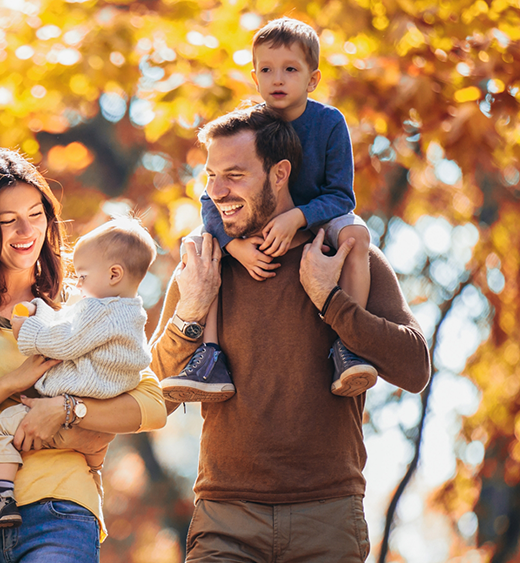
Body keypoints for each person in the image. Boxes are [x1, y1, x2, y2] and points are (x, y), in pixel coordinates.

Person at [152, 104, 430, 561]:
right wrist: (191, 312)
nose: (217, 192)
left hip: (328, 518)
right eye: (210, 177)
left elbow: (415, 368)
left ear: (280, 173)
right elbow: (150, 395)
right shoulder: (203, 265)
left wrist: (330, 300)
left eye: (235, 175)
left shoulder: (343, 256)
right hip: (225, 519)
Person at [0, 149, 167, 561]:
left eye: (36, 214)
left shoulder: (81, 303)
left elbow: (151, 405)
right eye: (7, 221)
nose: (26, 230)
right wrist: (11, 382)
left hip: (59, 509)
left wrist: (66, 409)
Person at [166, 17, 377, 403]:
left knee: (356, 235)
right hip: (251, 226)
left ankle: (348, 345)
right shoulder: (251, 125)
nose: (277, 79)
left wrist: (297, 217)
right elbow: (211, 197)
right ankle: (209, 357)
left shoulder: (329, 123)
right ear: (255, 76)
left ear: (312, 80)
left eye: (290, 70)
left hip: (317, 221)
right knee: (201, 246)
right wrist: (232, 245)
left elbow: (341, 196)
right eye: (267, 70)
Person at [0, 218, 157, 531]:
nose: (78, 284)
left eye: (84, 276)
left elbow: (65, 340)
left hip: (76, 391)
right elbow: (69, 322)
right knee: (93, 449)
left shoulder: (97, 310)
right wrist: (42, 311)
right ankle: (93, 476)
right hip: (102, 400)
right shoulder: (129, 313)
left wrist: (28, 329)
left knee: (2, 430)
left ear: (114, 274)